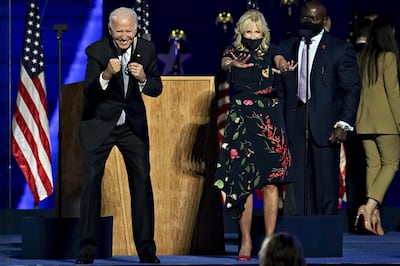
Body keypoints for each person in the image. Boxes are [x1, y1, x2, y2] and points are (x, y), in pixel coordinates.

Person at [75, 7, 162, 264]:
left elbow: (156, 88)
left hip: (131, 128)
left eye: (128, 31)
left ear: (135, 30)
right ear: (110, 30)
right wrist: (106, 75)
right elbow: (89, 93)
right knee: (91, 185)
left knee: (142, 185)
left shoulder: (146, 50)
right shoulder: (97, 51)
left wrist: (144, 78)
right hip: (99, 125)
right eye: (119, 31)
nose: (124, 36)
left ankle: (147, 251)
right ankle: (86, 251)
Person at [212, 9, 296, 262]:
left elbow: (280, 59)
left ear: (263, 32)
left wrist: (283, 65)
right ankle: (246, 241)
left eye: (256, 31)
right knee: (244, 185)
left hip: (269, 120)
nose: (252, 35)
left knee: (271, 184)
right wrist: (232, 64)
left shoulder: (271, 49)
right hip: (242, 121)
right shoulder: (232, 51)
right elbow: (225, 63)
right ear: (241, 32)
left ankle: (269, 241)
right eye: (248, 31)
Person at [278, 0, 361, 216]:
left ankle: (324, 232)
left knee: (325, 182)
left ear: (324, 21)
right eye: (304, 17)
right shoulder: (286, 47)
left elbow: (351, 89)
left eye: (313, 18)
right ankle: (299, 231)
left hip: (326, 126)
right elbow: (279, 91)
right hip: (294, 123)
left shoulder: (339, 49)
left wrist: (344, 123)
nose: (307, 22)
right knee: (296, 184)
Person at [354, 16, 400, 236]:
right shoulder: (388, 57)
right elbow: (394, 95)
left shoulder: (362, 56)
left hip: (364, 122)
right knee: (391, 164)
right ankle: (369, 208)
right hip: (386, 122)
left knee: (373, 166)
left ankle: (374, 219)